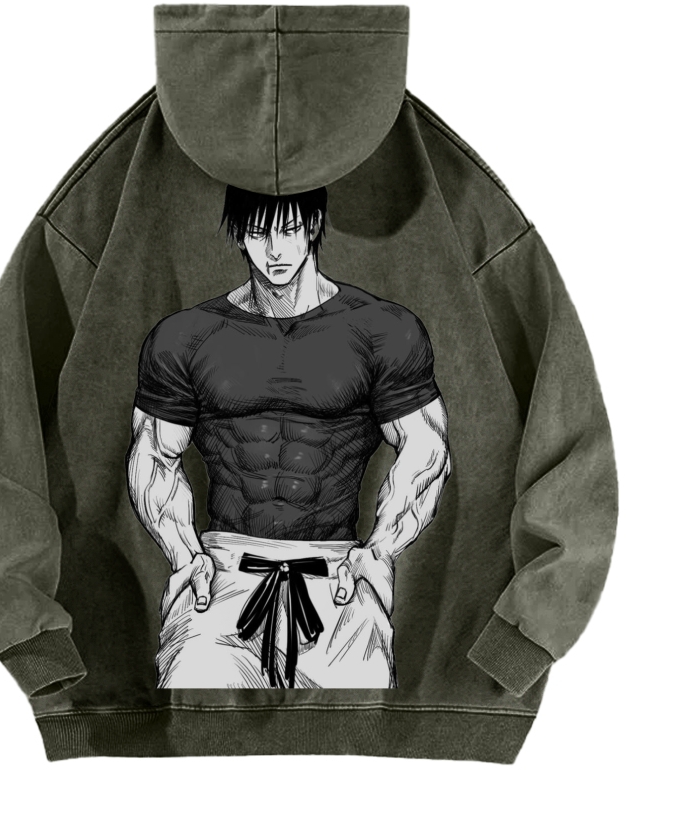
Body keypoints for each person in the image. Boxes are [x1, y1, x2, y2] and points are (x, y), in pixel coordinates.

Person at [127, 184, 451, 688]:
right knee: (197, 717)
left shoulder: (382, 330)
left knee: (358, 727)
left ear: (314, 226)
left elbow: (426, 448)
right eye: (259, 233)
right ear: (239, 235)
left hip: (339, 575)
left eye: (289, 229)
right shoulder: (185, 336)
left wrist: (380, 551)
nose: (275, 250)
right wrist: (184, 555)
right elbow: (154, 455)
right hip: (222, 574)